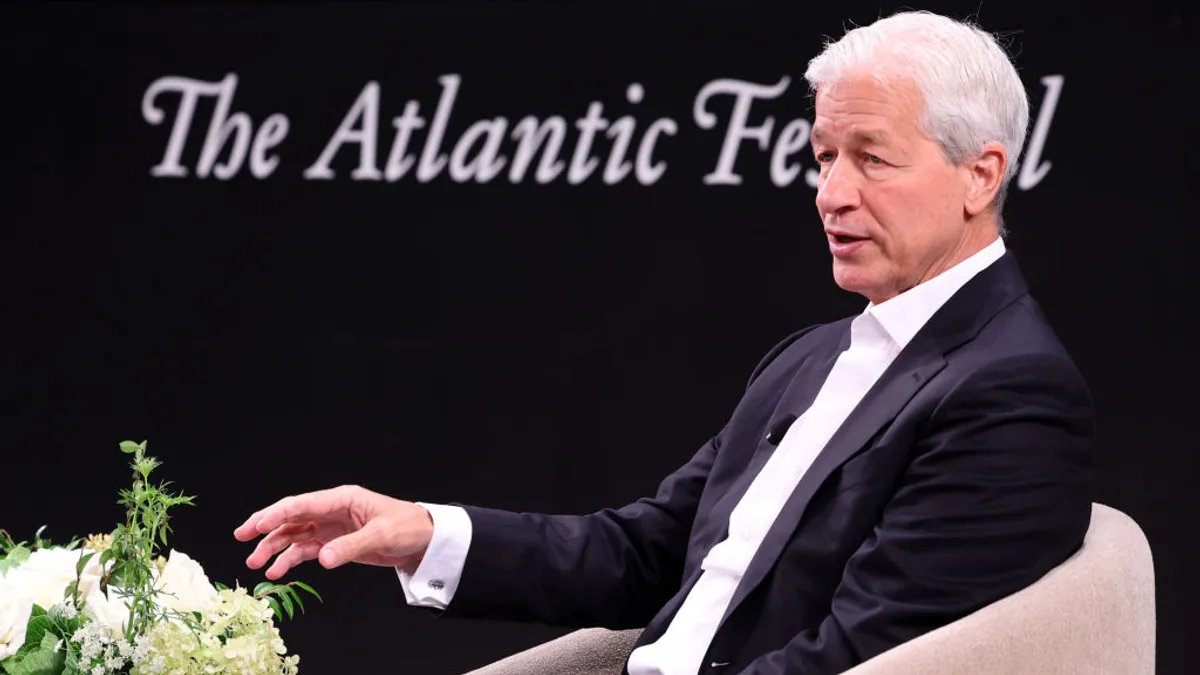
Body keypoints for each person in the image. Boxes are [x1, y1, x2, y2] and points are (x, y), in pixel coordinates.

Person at [234, 10, 1094, 675]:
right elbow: (645, 552)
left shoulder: (1010, 390)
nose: (831, 194)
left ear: (981, 174)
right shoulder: (811, 354)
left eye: (871, 158)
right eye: (823, 155)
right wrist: (424, 532)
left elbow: (859, 655)